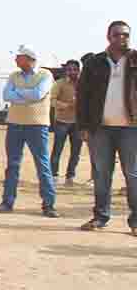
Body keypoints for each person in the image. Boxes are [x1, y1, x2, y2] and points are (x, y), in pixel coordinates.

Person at [77, 21, 137, 235]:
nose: (123, 38)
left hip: (131, 128)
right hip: (99, 128)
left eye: (127, 35)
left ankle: (135, 221)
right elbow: (82, 96)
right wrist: (82, 125)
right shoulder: (95, 63)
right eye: (118, 34)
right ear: (109, 36)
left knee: (133, 174)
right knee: (102, 174)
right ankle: (101, 217)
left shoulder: (135, 59)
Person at [0, 44, 59, 217]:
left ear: (30, 59)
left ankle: (49, 204)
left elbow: (38, 94)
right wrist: (28, 95)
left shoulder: (45, 75)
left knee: (42, 164)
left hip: (37, 126)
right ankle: (7, 202)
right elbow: (7, 96)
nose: (15, 59)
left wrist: (19, 93)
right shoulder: (13, 75)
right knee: (12, 165)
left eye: (19, 57)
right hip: (15, 124)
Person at [51, 60, 82, 186]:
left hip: (78, 123)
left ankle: (70, 177)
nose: (72, 72)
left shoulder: (84, 84)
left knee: (76, 152)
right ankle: (53, 176)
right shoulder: (59, 84)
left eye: (75, 69)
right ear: (66, 71)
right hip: (62, 122)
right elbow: (52, 100)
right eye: (70, 69)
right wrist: (66, 106)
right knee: (57, 150)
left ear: (79, 70)